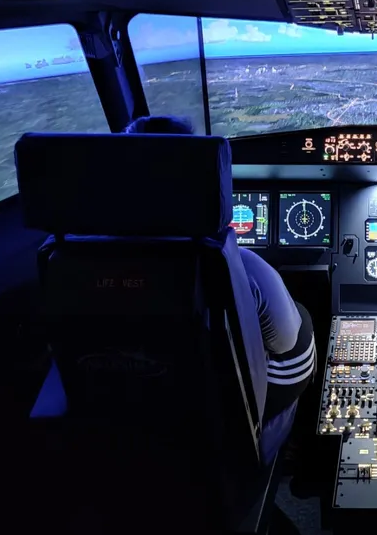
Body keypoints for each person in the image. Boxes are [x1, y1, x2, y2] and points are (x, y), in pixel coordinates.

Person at [125, 115, 317, 443]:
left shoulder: (69, 257)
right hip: (223, 409)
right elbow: (285, 342)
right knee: (301, 320)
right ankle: (283, 456)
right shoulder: (235, 265)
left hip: (129, 405)